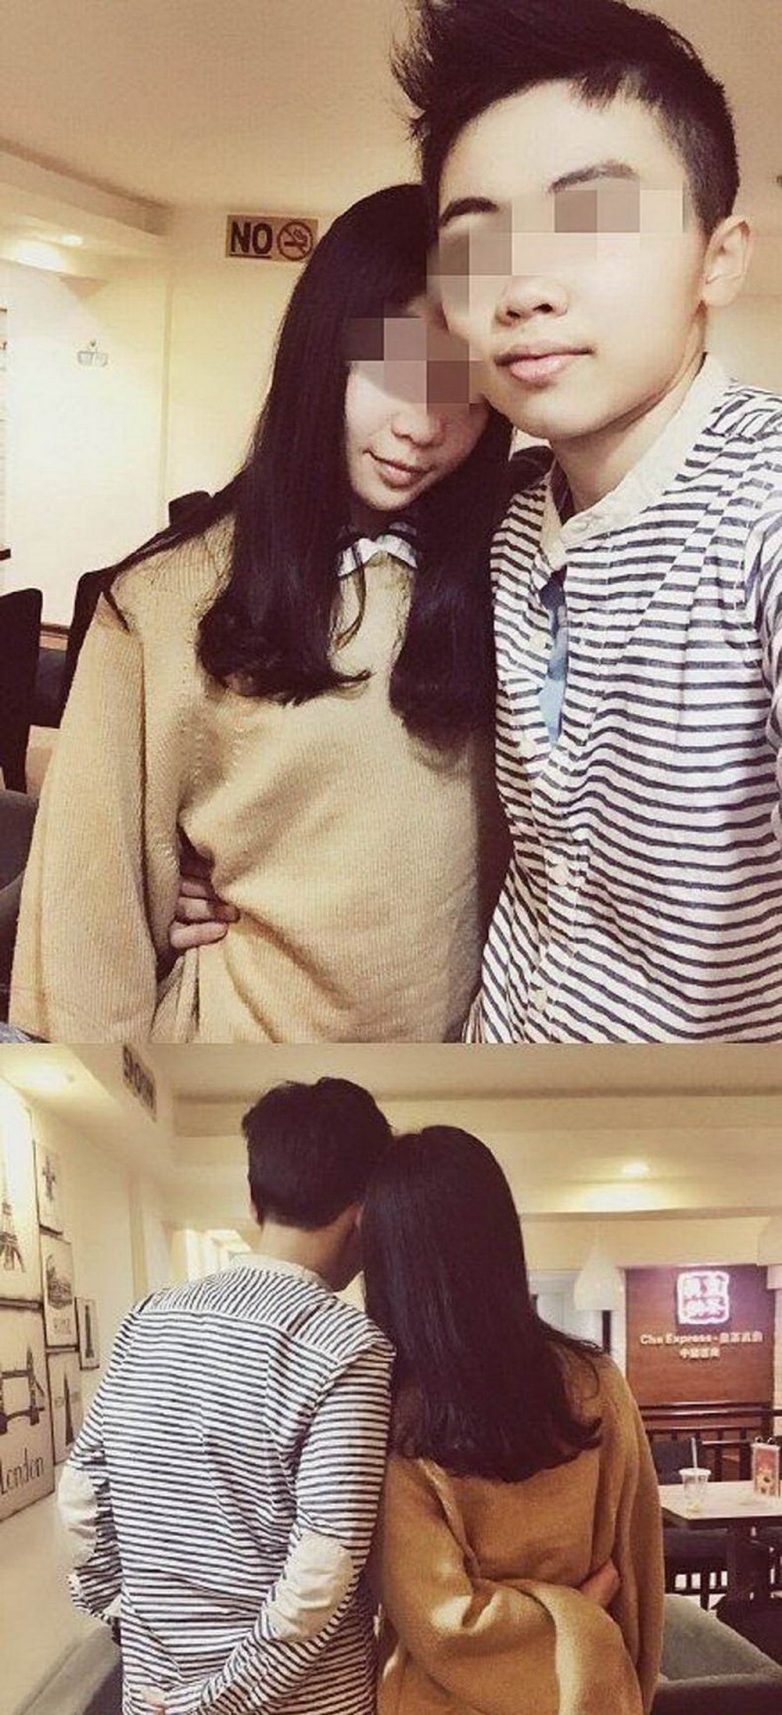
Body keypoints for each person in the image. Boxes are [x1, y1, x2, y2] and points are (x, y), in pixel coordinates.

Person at [9, 183, 518, 1044]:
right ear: (322, 354)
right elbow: (87, 923)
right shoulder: (168, 599)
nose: (424, 424)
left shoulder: (507, 568)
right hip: (242, 1074)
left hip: (457, 1077)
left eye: (464, 384)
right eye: (397, 369)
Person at [391, 0, 782, 1042]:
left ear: (718, 257)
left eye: (592, 220)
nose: (523, 288)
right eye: (474, 242)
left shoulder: (763, 512)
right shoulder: (511, 514)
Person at [58, 1077, 395, 1715]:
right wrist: (217, 1703)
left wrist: (121, 1610)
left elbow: (80, 1497)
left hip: (153, 1691)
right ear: (365, 1212)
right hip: (302, 1702)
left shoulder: (148, 1319)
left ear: (253, 1200)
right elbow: (323, 1565)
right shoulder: (348, 1346)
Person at [361, 1127, 665, 1715]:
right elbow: (639, 1573)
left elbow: (445, 1624)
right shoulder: (597, 1383)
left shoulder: (391, 1413)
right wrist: (589, 1621)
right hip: (590, 1692)